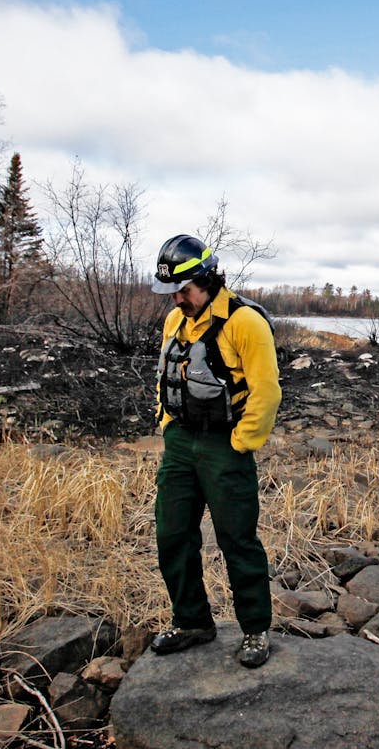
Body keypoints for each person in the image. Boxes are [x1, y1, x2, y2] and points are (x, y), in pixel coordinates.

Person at [147, 234, 282, 668]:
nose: (177, 300)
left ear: (207, 280)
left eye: (183, 291)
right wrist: (167, 423)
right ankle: (192, 622)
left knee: (237, 539)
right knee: (172, 534)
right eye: (172, 292)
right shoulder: (176, 321)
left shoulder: (246, 323)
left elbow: (267, 392)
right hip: (180, 443)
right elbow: (165, 372)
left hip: (226, 445)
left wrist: (242, 443)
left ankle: (255, 630)